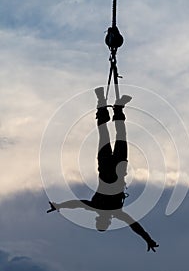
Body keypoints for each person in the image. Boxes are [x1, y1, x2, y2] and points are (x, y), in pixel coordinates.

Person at [47, 87, 159, 252]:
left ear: (100, 220)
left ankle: (102, 102)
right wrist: (148, 239)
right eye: (106, 223)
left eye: (102, 222)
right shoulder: (115, 211)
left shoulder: (96, 207)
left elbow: (76, 204)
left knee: (105, 134)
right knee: (119, 135)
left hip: (106, 166)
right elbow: (135, 226)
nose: (105, 221)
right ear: (108, 222)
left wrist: (60, 206)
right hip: (118, 168)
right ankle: (118, 108)